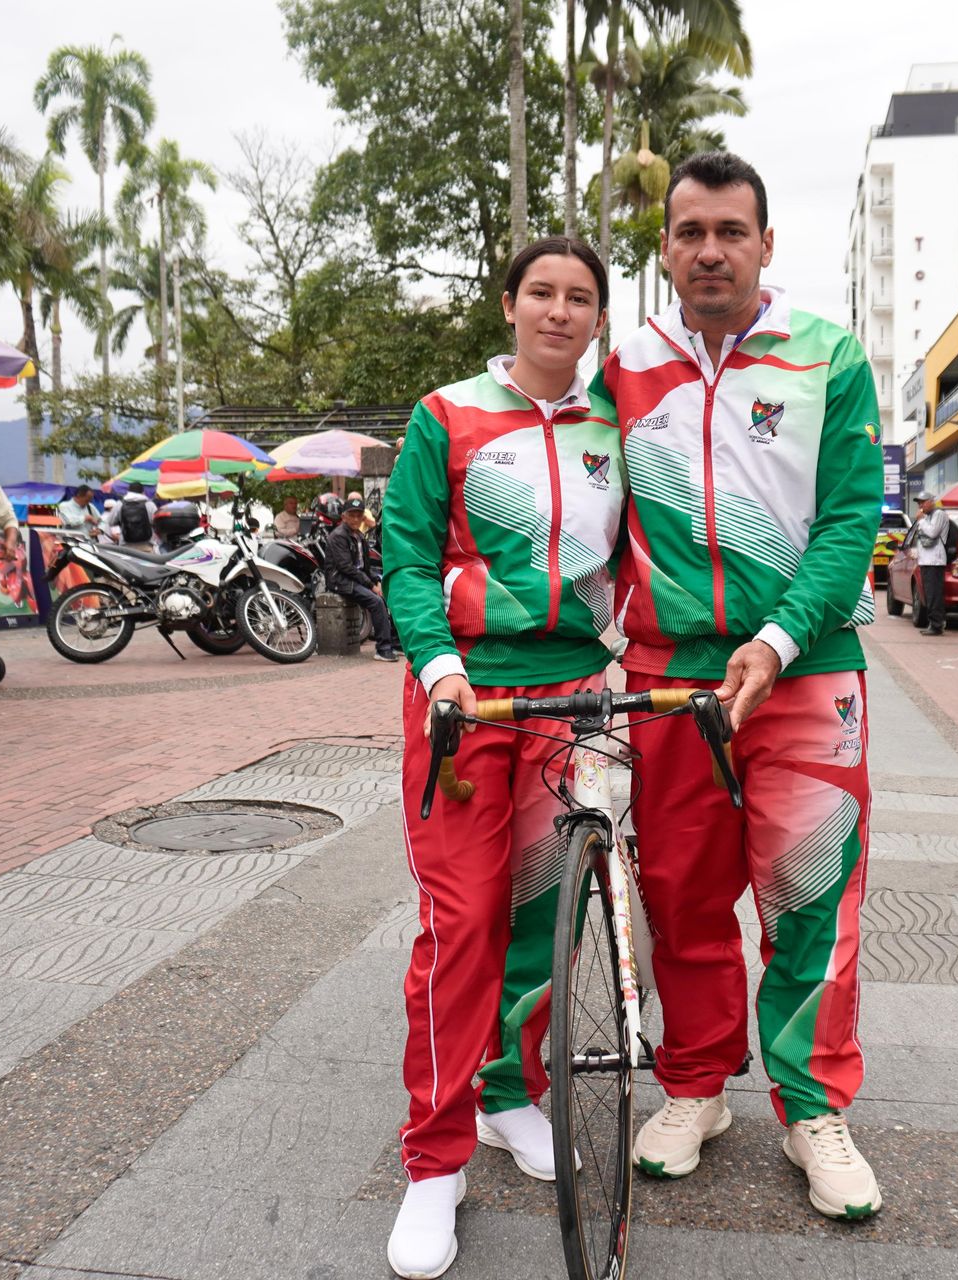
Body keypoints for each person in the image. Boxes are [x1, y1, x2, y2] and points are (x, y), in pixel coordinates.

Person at [594, 151, 885, 1220]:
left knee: (811, 893)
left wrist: (776, 636)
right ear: (665, 248)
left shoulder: (828, 358)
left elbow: (854, 518)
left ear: (766, 243)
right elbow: (589, 518)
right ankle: (695, 1085)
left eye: (730, 230)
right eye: (689, 233)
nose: (709, 250)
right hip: (668, 675)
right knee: (678, 891)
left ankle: (813, 1106)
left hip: (807, 671)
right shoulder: (621, 369)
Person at [377, 235, 621, 1279]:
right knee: (461, 921)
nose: (559, 312)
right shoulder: (448, 415)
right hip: (467, 695)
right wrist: (438, 667)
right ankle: (434, 1160)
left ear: (597, 317)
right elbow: (406, 553)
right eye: (541, 293)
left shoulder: (622, 423)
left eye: (580, 297)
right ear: (510, 304)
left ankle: (509, 1092)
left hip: (577, 696)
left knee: (537, 916)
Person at [328, 499, 397, 662]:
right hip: (340, 581)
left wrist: (376, 581)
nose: (355, 519)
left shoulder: (359, 536)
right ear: (344, 517)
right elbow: (346, 568)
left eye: (359, 515)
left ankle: (395, 641)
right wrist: (371, 585)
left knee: (389, 595)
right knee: (376, 601)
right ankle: (383, 648)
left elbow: (365, 566)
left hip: (356, 579)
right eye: (352, 515)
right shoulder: (338, 536)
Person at [910, 494, 953, 635]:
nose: (920, 506)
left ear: (931, 502)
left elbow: (933, 533)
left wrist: (921, 521)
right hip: (926, 560)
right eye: (919, 503)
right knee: (929, 594)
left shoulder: (939, 514)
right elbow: (922, 538)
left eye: (922, 502)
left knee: (934, 594)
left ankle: (936, 625)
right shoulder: (927, 517)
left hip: (935, 561)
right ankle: (933, 623)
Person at [103, 482, 158, 549]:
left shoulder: (120, 504)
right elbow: (157, 523)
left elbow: (110, 522)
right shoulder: (150, 504)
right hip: (146, 545)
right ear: (143, 492)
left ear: (128, 491)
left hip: (126, 546)